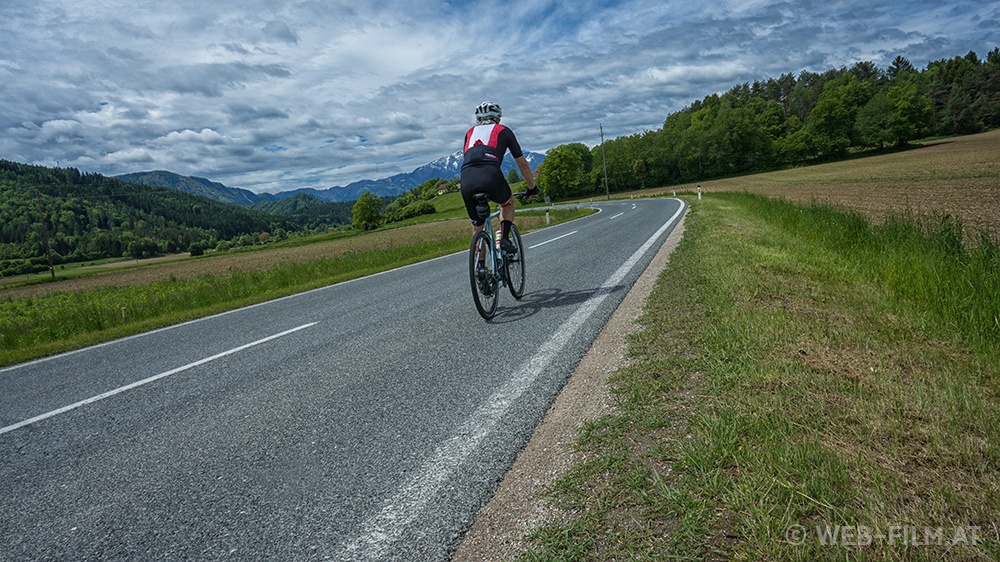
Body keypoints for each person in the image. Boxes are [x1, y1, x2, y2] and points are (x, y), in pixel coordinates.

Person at [460, 101, 538, 254]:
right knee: (507, 203)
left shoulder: (469, 133)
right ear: (498, 118)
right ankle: (504, 238)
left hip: (467, 178)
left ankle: (480, 270)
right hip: (491, 175)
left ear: (477, 119)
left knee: (477, 227)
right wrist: (532, 187)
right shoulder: (503, 130)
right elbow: (522, 164)